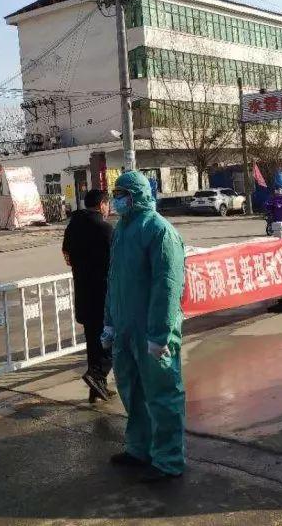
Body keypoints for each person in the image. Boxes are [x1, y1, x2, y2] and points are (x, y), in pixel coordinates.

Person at [102, 170, 186, 483]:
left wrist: (160, 334)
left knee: (163, 394)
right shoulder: (123, 230)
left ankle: (168, 460)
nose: (117, 198)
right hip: (125, 329)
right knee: (132, 391)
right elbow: (114, 281)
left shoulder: (159, 231)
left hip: (153, 332)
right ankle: (139, 448)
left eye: (122, 193)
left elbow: (167, 285)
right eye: (115, 193)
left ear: (136, 195)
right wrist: (110, 323)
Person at [62, 189, 114, 402]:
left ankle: (96, 388)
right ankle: (97, 375)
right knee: (112, 339)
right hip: (104, 293)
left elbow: (66, 254)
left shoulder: (73, 226)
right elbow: (117, 260)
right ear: (102, 204)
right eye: (108, 204)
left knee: (93, 341)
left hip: (83, 292)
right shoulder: (104, 228)